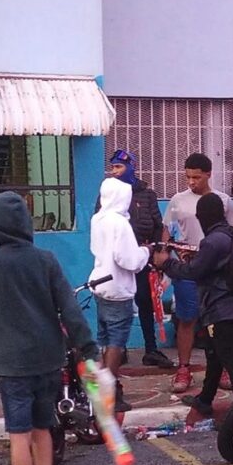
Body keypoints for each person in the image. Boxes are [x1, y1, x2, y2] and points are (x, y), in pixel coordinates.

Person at [0, 192, 100, 465]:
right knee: (43, 431)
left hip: (12, 367)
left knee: (19, 437)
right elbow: (70, 310)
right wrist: (88, 349)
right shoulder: (46, 260)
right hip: (49, 361)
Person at [154, 193, 233, 417]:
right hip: (228, 303)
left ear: (204, 216)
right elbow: (210, 266)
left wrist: (166, 263)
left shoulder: (213, 240)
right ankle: (205, 399)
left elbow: (194, 272)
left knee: (230, 358)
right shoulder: (228, 234)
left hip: (220, 306)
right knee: (214, 354)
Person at [162, 153, 233, 393]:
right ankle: (184, 368)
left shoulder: (224, 201)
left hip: (217, 272)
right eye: (187, 177)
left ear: (208, 174)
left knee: (221, 322)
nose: (191, 182)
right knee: (187, 319)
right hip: (188, 269)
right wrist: (167, 259)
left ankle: (225, 366)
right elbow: (167, 231)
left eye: (196, 177)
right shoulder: (177, 200)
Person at [97, 149, 173, 369]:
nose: (115, 172)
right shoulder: (108, 195)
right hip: (116, 263)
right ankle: (116, 352)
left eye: (119, 167)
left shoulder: (146, 194)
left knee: (145, 302)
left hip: (143, 259)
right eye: (112, 167)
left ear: (131, 167)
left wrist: (157, 252)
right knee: (117, 309)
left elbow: (158, 225)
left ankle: (151, 349)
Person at [90, 178, 152, 412]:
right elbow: (129, 260)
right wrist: (146, 251)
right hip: (118, 288)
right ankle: (109, 392)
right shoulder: (120, 224)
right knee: (116, 341)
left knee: (105, 339)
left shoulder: (98, 219)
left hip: (99, 283)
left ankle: (104, 388)